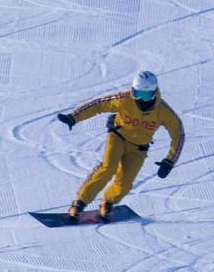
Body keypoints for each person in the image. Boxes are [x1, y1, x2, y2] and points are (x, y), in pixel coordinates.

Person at [57, 70, 184, 221]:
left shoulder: (163, 111)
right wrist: (74, 117)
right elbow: (99, 105)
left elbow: (178, 135)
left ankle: (108, 203)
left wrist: (169, 161)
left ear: (155, 93)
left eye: (146, 95)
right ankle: (79, 203)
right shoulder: (125, 100)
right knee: (108, 168)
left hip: (138, 148)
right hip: (118, 137)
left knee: (125, 183)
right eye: (137, 94)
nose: (141, 100)